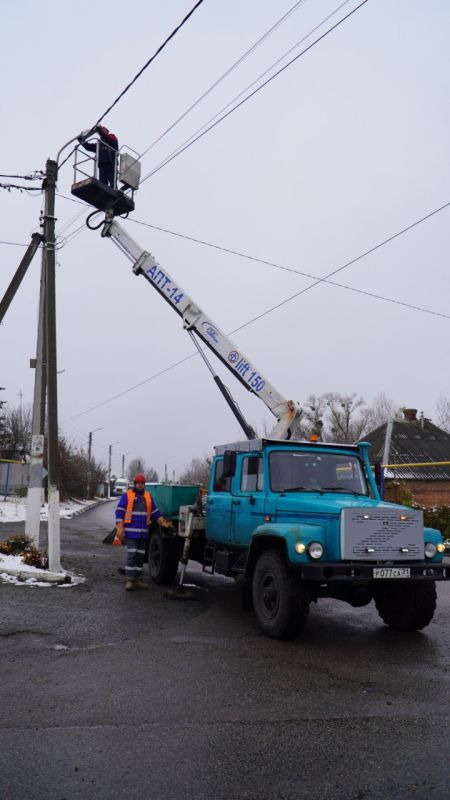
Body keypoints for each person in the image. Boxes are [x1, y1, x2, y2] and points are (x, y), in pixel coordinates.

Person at [114, 473, 171, 591]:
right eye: (138, 483)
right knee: (132, 554)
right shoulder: (127, 495)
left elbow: (155, 511)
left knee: (140, 555)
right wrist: (120, 527)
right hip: (130, 533)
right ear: (135, 484)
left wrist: (161, 520)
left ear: (144, 484)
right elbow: (119, 511)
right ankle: (130, 580)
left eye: (142, 483)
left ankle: (138, 579)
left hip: (143, 533)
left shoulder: (148, 496)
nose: (140, 485)